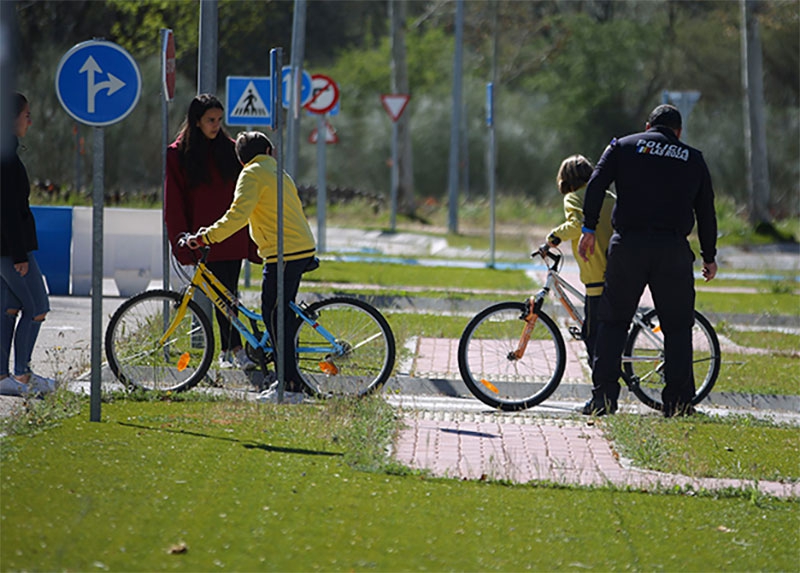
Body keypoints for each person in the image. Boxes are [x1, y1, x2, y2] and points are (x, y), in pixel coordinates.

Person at [578, 104, 718, 417]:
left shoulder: (623, 146)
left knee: (613, 322)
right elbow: (706, 211)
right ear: (678, 132)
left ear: (647, 126)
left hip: (628, 246)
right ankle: (679, 404)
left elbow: (596, 183)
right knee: (678, 327)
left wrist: (588, 227)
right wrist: (709, 255)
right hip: (672, 250)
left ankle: (603, 399)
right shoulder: (693, 158)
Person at [185, 131, 317, 404]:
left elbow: (237, 215)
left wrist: (206, 236)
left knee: (274, 315)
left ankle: (291, 387)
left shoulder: (251, 174)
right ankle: (285, 379)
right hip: (296, 247)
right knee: (276, 314)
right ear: (270, 150)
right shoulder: (278, 172)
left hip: (284, 252)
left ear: (241, 159)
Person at [165, 94, 258, 371]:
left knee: (226, 294)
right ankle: (232, 349)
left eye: (219, 120)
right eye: (210, 120)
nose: (216, 125)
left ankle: (234, 350)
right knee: (223, 295)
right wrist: (180, 236)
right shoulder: (178, 153)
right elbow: (175, 199)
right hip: (203, 237)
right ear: (197, 121)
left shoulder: (231, 149)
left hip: (231, 233)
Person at [0, 92, 56, 397]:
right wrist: (19, 254)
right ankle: (22, 375)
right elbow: (8, 210)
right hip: (10, 250)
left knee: (9, 308)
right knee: (37, 307)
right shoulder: (6, 158)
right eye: (26, 115)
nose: (30, 121)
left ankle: (4, 377)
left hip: (7, 248)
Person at [545, 154, 615, 369]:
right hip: (618, 267)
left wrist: (553, 238)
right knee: (611, 326)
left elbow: (577, 225)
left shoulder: (574, 197)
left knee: (592, 334)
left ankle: (601, 382)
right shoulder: (610, 197)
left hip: (596, 272)